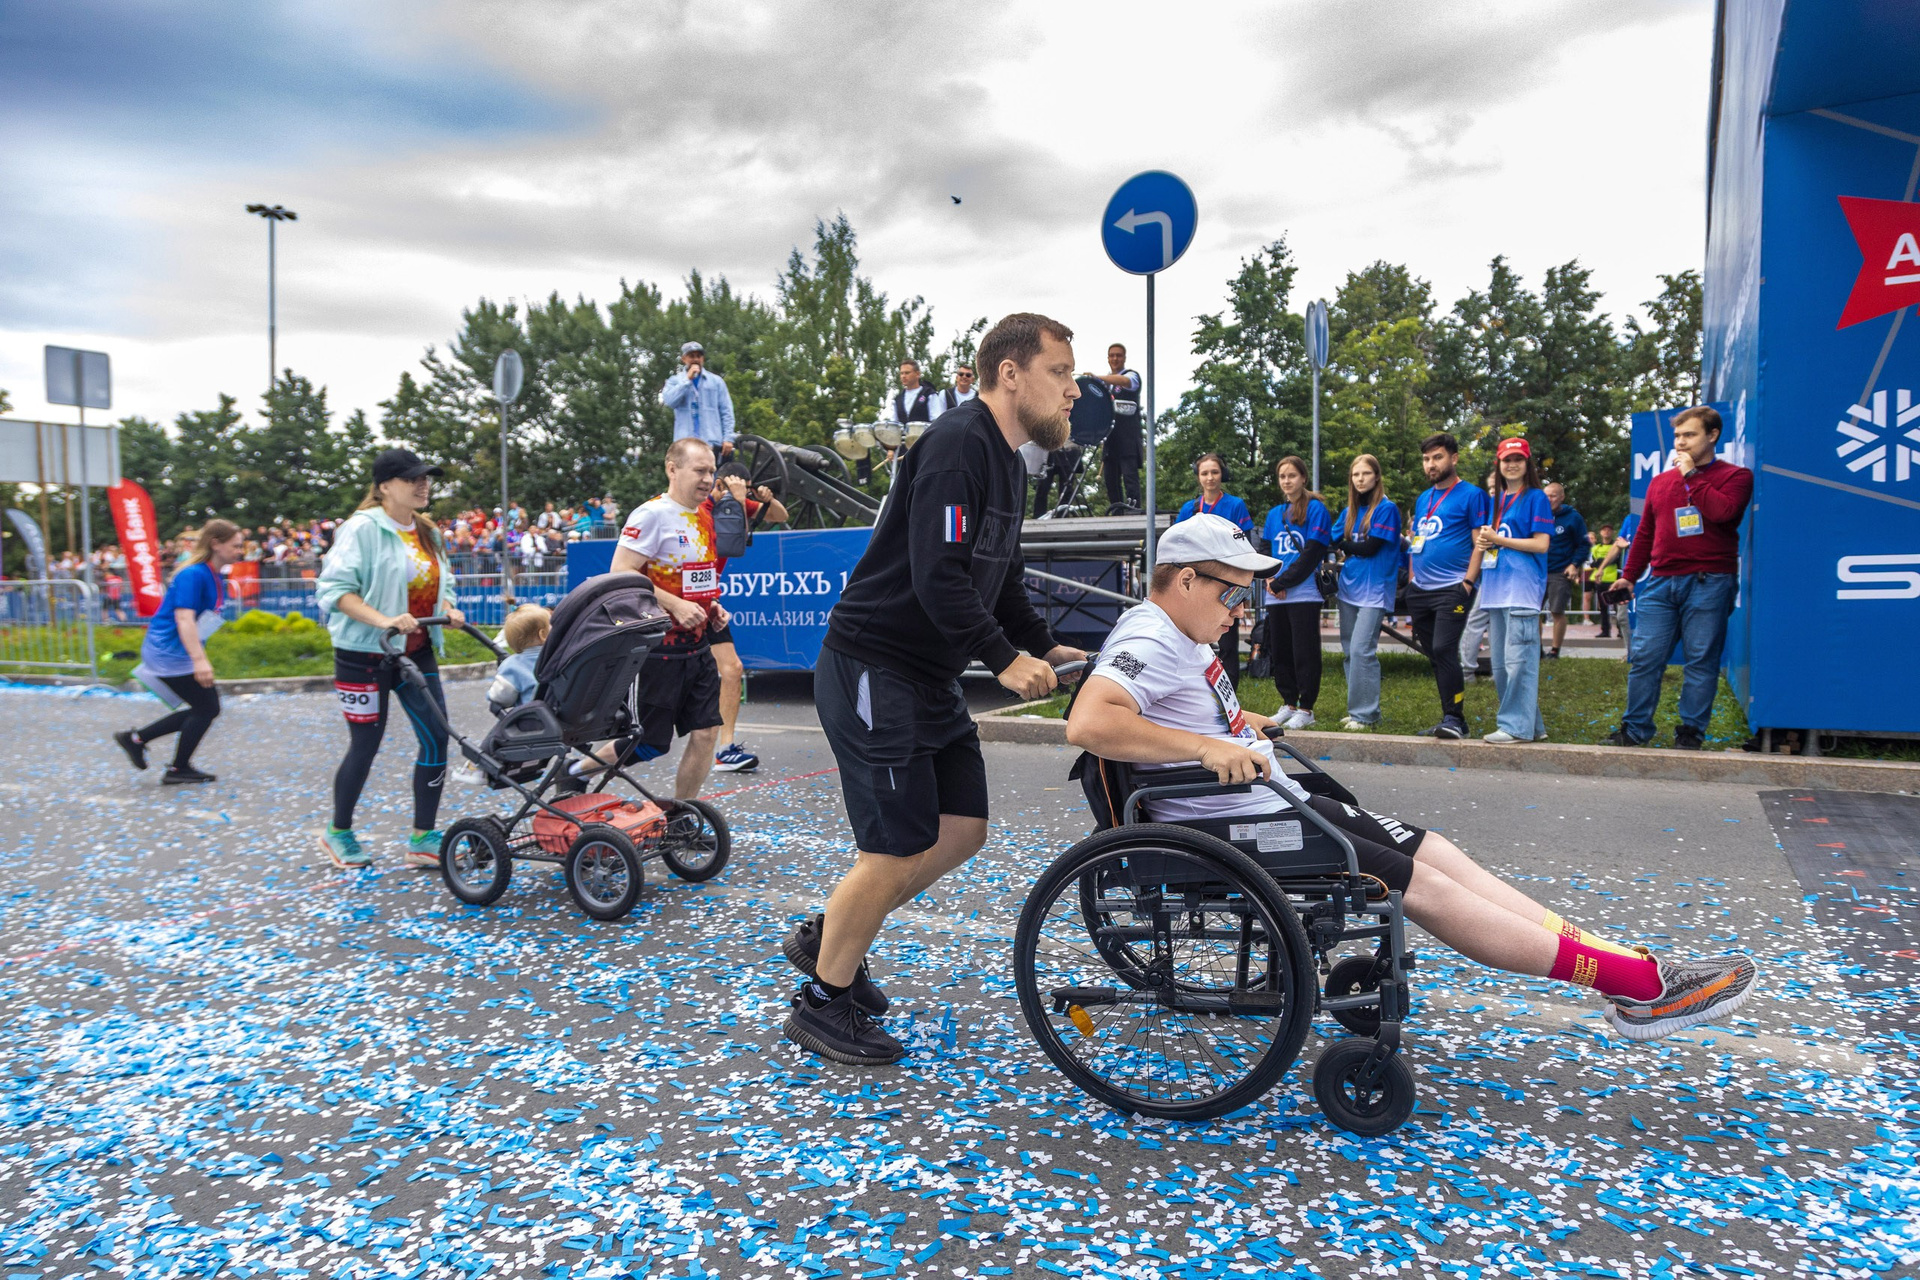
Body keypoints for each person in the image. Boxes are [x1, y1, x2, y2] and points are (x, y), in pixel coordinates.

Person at [1066, 517, 1762, 1043]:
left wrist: (1239, 723)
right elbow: (1090, 722)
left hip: (1266, 804)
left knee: (1435, 851)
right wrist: (1205, 747)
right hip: (1229, 824)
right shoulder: (1151, 637)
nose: (1242, 607)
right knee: (1423, 886)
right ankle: (1637, 984)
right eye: (1233, 592)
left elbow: (1178, 708)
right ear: (1186, 580)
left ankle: (1625, 963)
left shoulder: (1181, 634)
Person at [784, 312, 1086, 1066]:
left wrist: (1043, 643)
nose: (1074, 390)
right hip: (873, 666)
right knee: (894, 847)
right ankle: (823, 1003)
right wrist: (1002, 659)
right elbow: (938, 575)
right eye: (1060, 372)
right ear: (1010, 373)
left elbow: (1000, 578)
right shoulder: (955, 445)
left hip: (926, 674)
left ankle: (831, 935)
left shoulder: (1008, 463)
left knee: (961, 829)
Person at [316, 449, 465, 870]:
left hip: (416, 651)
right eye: (412, 478)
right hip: (364, 654)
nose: (423, 485)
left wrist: (448, 607)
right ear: (384, 487)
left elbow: (443, 581)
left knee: (436, 736)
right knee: (366, 744)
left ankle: (423, 837)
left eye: (426, 478)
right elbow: (335, 591)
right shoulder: (362, 528)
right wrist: (384, 620)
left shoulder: (428, 531)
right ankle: (338, 832)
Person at [1607, 406, 1753, 750]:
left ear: (1712, 436)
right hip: (1661, 582)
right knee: (1645, 657)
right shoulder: (1660, 482)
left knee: (1700, 660)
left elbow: (1723, 513)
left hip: (1709, 581)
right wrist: (1629, 576)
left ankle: (1690, 732)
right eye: (1677, 436)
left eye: (1690, 435)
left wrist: (1691, 475)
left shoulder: (1736, 477)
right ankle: (1635, 729)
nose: (1681, 442)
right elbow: (1645, 533)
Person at [605, 438, 740, 798]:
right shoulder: (651, 514)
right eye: (700, 470)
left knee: (707, 732)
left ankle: (681, 813)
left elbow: (697, 578)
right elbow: (620, 572)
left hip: (697, 645)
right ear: (672, 469)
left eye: (712, 471)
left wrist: (711, 605)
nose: (708, 479)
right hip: (657, 647)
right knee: (650, 744)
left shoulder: (705, 516)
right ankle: (574, 772)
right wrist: (675, 605)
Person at [113, 519, 246, 784]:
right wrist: (200, 660)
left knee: (205, 707)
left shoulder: (213, 574)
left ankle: (138, 740)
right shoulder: (193, 574)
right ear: (216, 544)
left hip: (179, 651)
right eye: (236, 545)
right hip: (168, 652)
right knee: (207, 707)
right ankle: (174, 766)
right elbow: (184, 619)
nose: (241, 551)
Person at [1406, 432, 1492, 739]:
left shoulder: (1472, 495)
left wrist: (1468, 582)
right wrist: (1412, 579)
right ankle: (1450, 717)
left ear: (1453, 458)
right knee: (1436, 654)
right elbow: (1418, 540)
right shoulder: (1423, 498)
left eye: (1437, 457)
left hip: (1453, 587)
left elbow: (1480, 542)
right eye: (1426, 459)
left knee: (1444, 648)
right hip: (1420, 590)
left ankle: (1455, 718)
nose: (1431, 464)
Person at [707, 462, 789, 773]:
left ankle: (725, 749)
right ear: (720, 485)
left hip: (708, 600)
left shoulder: (738, 502)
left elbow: (781, 516)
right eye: (733, 488)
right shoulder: (704, 508)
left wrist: (767, 499)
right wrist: (738, 501)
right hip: (680, 600)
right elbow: (732, 539)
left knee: (732, 669)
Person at [1473, 438, 1554, 744]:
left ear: (1527, 463)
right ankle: (1532, 726)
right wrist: (1485, 542)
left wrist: (1499, 540)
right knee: (1502, 665)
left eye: (1518, 459)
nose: (1512, 464)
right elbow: (1491, 541)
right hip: (1495, 590)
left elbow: (1541, 544)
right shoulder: (1497, 500)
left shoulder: (1536, 497)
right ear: (1499, 464)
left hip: (1521, 590)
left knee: (1519, 663)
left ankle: (1515, 727)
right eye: (1507, 460)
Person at [1259, 456, 1332, 730]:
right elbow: (1264, 551)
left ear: (1303, 478)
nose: (1287, 481)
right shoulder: (1274, 514)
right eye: (1282, 476)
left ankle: (1306, 708)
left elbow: (1312, 554)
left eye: (1292, 475)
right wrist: (1270, 579)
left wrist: (1281, 583)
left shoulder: (1316, 509)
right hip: (1275, 595)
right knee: (1281, 652)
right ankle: (1288, 702)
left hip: (1304, 595)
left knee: (1305, 653)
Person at [1332, 453, 1400, 731]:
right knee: (1350, 651)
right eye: (1356, 474)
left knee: (1362, 650)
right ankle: (1357, 710)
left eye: (1366, 473)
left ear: (1376, 476)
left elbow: (1371, 548)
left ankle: (1365, 714)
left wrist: (1345, 546)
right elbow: (1331, 537)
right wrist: (1341, 544)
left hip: (1375, 589)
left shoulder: (1386, 509)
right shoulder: (1349, 511)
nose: (1360, 479)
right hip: (1349, 587)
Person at [1174, 453, 1254, 687]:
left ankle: (1229, 694)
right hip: (1199, 584)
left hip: (1229, 584)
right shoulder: (1189, 508)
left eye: (1215, 472)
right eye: (1205, 473)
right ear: (1198, 477)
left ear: (1222, 474)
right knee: (1195, 641)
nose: (1210, 477)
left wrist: (1243, 586)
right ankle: (1197, 691)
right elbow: (1179, 545)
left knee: (1228, 643)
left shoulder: (1236, 505)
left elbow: (1247, 547)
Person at [1088, 344, 1143, 514]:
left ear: (1124, 358)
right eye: (1111, 355)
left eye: (1118, 355)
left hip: (1128, 436)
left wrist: (1098, 377)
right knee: (1110, 479)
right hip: (1110, 437)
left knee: (1129, 476)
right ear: (1108, 358)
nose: (1115, 359)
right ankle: (1117, 511)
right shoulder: (1104, 384)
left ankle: (1134, 510)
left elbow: (1126, 382)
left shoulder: (1131, 375)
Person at [661, 340, 736, 452]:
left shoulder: (716, 382)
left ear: (703, 358)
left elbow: (726, 411)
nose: (695, 359)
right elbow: (670, 401)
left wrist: (728, 438)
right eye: (691, 356)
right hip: (685, 444)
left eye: (699, 356)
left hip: (711, 442)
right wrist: (687, 380)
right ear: (684, 359)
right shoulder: (674, 381)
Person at [1543, 482, 1589, 659]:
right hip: (1537, 571)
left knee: (1556, 611)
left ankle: (1555, 650)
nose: (1549, 499)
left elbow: (1584, 544)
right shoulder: (1537, 514)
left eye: (1553, 496)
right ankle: (1536, 648)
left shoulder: (1573, 517)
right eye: (1546, 496)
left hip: (1559, 572)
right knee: (1531, 612)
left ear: (1562, 497)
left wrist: (1574, 564)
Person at [490, 604, 550, 709]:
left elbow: (503, 698)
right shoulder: (558, 657)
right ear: (543, 635)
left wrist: (490, 695)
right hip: (564, 714)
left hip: (534, 716)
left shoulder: (512, 665)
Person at [1588, 523, 1619, 637]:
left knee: (1617, 607)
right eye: (1604, 530)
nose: (1606, 532)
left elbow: (1616, 560)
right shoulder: (1596, 548)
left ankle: (1621, 630)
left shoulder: (1616, 546)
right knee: (1603, 607)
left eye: (1609, 530)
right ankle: (1605, 630)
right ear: (1600, 533)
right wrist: (1604, 561)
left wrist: (1601, 561)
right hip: (1600, 580)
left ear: (1612, 532)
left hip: (1614, 579)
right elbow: (1592, 563)